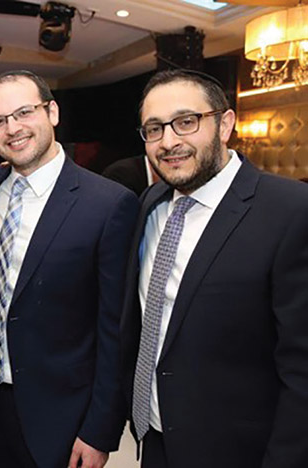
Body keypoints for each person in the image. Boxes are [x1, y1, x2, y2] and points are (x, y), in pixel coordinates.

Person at [120, 69, 308, 468]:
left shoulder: (292, 211)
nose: (168, 141)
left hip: (240, 452)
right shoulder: (150, 203)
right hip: (155, 439)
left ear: (225, 124)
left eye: (186, 122)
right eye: (154, 129)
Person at [0, 70, 139, 468]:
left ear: (52, 112)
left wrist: (100, 430)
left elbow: (115, 329)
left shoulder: (109, 204)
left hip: (61, 416)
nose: (13, 128)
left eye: (24, 112)